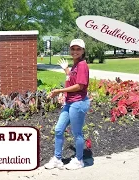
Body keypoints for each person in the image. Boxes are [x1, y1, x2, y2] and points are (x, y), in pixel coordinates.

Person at [45, 39, 91, 170]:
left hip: (78, 102)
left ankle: (79, 160)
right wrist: (66, 70)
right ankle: (57, 159)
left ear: (83, 51)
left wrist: (59, 91)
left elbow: (79, 86)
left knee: (77, 133)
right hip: (70, 102)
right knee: (59, 129)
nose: (75, 51)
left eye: (78, 49)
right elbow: (72, 79)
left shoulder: (82, 65)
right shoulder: (76, 65)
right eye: (73, 49)